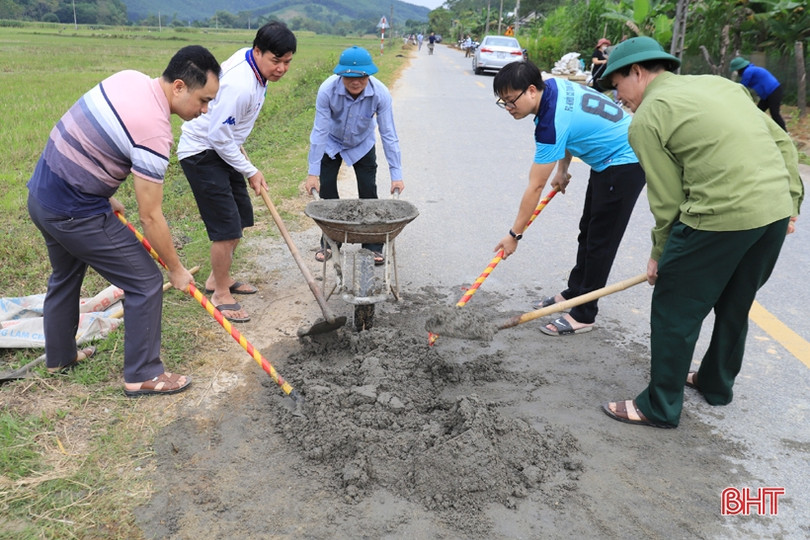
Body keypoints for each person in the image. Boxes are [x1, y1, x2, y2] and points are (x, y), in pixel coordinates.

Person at [599, 37, 803, 428]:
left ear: (638, 72)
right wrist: (791, 202)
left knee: (675, 306)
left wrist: (662, 255)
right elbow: (782, 142)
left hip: (719, 216)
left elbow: (668, 200)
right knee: (735, 300)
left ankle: (659, 406)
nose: (617, 95)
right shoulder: (718, 84)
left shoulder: (646, 119)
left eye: (616, 84)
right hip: (773, 211)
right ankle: (715, 384)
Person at [27, 45, 221, 397]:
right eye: (203, 100)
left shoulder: (130, 79)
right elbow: (150, 215)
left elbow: (92, 139)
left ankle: (59, 358)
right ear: (179, 87)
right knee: (145, 281)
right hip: (74, 211)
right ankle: (143, 374)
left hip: (43, 194)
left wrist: (100, 189)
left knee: (65, 274)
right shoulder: (155, 132)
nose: (205, 110)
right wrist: (175, 269)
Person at [492, 61, 646, 336]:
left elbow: (535, 187)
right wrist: (563, 170)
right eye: (502, 102)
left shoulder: (550, 123)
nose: (507, 108)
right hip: (607, 160)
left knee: (601, 241)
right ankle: (575, 292)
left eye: (510, 100)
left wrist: (514, 235)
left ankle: (584, 313)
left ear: (530, 91)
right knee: (588, 231)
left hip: (625, 161)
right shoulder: (552, 86)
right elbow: (569, 130)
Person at [178, 22, 297, 323]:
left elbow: (226, 131)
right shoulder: (240, 85)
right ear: (257, 51)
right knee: (226, 227)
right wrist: (251, 171)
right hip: (203, 152)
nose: (282, 68)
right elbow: (217, 135)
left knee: (241, 216)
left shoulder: (255, 67)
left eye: (287, 62)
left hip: (225, 147)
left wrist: (239, 151)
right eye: (276, 60)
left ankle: (217, 280)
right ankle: (220, 294)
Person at [304, 46, 405, 265]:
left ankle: (373, 245)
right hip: (332, 142)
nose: (355, 82)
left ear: (369, 74)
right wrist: (313, 173)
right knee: (327, 193)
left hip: (362, 143)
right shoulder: (327, 91)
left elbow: (389, 134)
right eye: (349, 77)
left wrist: (396, 174)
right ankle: (330, 241)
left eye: (361, 76)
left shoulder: (380, 94)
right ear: (340, 74)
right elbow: (319, 131)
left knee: (368, 192)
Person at [730, 56, 787, 131]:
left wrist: (732, 93)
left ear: (740, 68)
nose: (737, 72)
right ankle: (757, 130)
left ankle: (785, 133)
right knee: (758, 112)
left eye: (737, 70)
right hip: (767, 95)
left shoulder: (748, 71)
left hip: (773, 91)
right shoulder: (751, 69)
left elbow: (742, 86)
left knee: (774, 113)